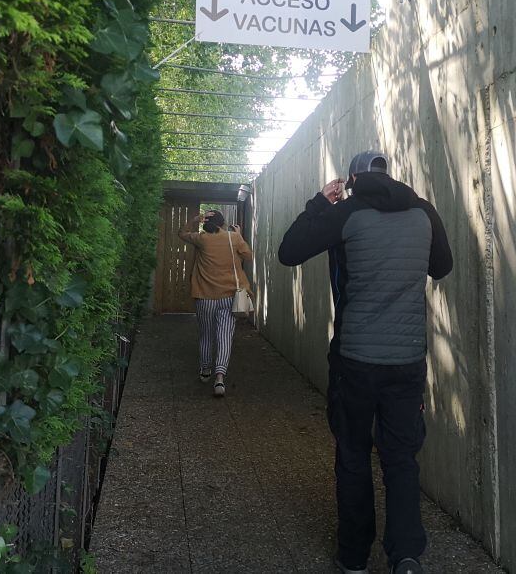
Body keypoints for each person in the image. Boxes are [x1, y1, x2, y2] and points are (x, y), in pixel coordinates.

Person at [278, 151, 452, 574]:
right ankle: (406, 556)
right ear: (388, 175)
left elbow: (289, 251)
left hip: (355, 359)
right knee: (401, 457)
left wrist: (321, 202)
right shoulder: (423, 212)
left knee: (354, 454)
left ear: (352, 179)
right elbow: (441, 267)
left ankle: (354, 557)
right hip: (407, 360)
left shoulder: (346, 212)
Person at [178, 209, 253, 397]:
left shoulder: (201, 239)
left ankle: (205, 369)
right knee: (225, 336)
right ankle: (220, 378)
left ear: (205, 223)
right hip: (229, 297)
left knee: (206, 335)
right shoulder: (233, 238)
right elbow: (248, 256)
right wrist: (239, 235)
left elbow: (181, 233)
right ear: (222, 223)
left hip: (204, 296)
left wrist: (193, 220)